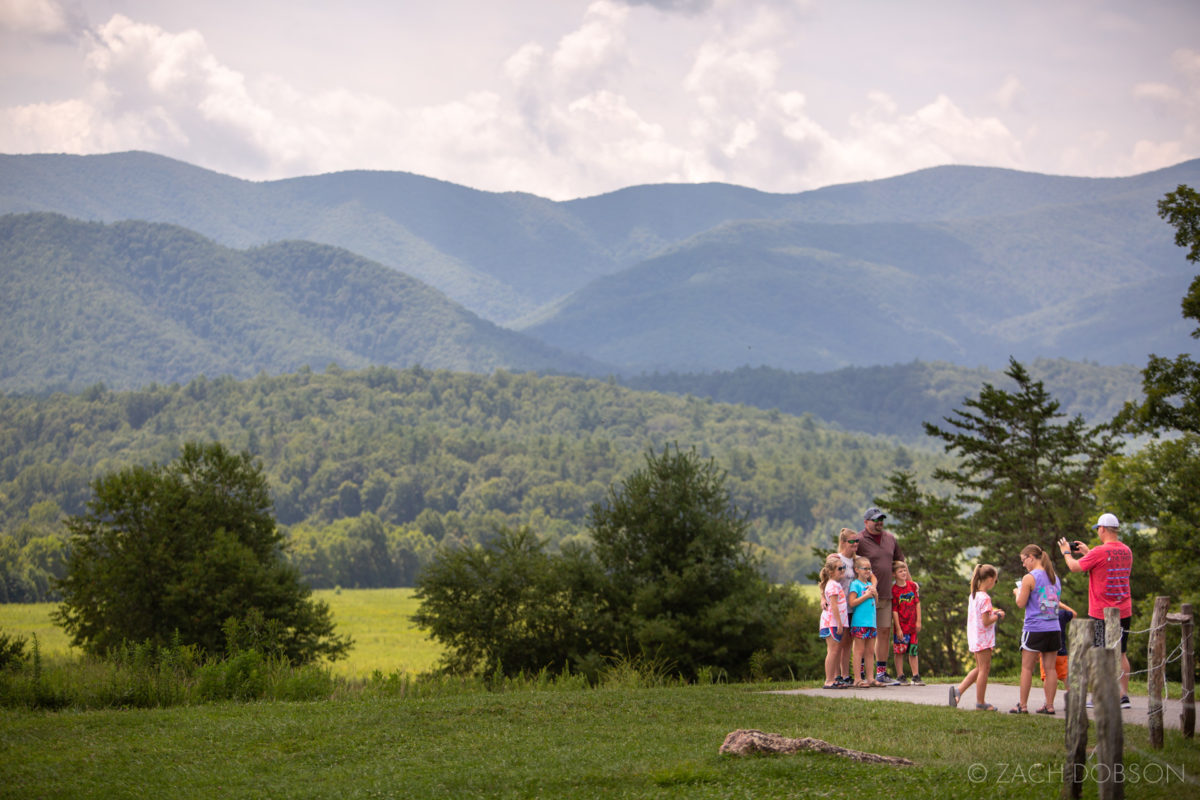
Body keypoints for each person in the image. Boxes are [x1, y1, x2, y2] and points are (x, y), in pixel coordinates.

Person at [1058, 513, 1133, 709]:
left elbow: (1074, 567)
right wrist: (1088, 552)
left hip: (1101, 611)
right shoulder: (1126, 551)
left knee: (1100, 653)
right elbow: (1106, 566)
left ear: (1102, 529)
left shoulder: (1100, 551)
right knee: (1121, 652)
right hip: (1124, 610)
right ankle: (1123, 695)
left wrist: (1066, 552)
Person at [1011, 544, 1062, 714]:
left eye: (1024, 560)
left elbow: (1021, 603)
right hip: (1054, 627)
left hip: (1035, 628)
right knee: (1050, 668)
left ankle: (1023, 705)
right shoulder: (1054, 577)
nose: (1023, 564)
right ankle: (1049, 705)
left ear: (1031, 558)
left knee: (1027, 667)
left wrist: (1018, 592)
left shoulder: (1029, 578)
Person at [857, 507, 905, 685]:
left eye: (881, 519)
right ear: (866, 522)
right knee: (864, 634)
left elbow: (901, 562)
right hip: (865, 596)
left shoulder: (890, 539)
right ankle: (860, 674)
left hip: (886, 594)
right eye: (875, 520)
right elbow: (846, 556)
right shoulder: (860, 540)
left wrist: (910, 584)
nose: (879, 523)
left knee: (884, 631)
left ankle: (881, 673)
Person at [949, 564, 1005, 711]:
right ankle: (981, 702)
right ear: (990, 579)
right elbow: (986, 621)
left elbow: (982, 616)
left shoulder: (974, 595)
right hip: (983, 638)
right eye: (996, 581)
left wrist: (993, 612)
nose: (995, 583)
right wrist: (998, 615)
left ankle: (958, 692)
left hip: (975, 636)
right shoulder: (985, 597)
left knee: (980, 667)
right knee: (984, 670)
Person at [835, 528, 875, 685]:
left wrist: (873, 588)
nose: (855, 544)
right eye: (852, 541)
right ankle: (839, 675)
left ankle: (848, 676)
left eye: (857, 541)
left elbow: (872, 577)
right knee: (841, 643)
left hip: (855, 609)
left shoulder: (858, 560)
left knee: (849, 643)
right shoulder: (837, 559)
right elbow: (827, 580)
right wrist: (822, 598)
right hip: (840, 605)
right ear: (843, 542)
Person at [848, 556, 881, 687]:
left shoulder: (869, 585)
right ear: (857, 570)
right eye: (865, 568)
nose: (868, 571)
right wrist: (866, 595)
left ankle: (870, 678)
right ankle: (857, 679)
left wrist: (875, 594)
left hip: (871, 623)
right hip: (860, 622)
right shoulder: (855, 584)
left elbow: (875, 603)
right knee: (859, 650)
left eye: (870, 569)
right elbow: (852, 603)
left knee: (870, 651)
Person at [890, 560, 923, 685]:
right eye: (900, 571)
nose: (903, 573)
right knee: (899, 651)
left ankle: (915, 676)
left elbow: (917, 603)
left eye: (905, 570)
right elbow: (894, 610)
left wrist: (918, 621)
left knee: (913, 650)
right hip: (902, 626)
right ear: (894, 574)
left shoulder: (912, 586)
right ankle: (900, 675)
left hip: (912, 625)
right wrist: (898, 628)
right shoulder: (894, 590)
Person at [818, 554, 848, 689]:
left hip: (833, 622)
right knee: (833, 651)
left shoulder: (834, 584)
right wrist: (840, 623)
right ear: (831, 572)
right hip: (832, 623)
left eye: (843, 567)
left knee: (835, 650)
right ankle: (829, 680)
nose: (842, 570)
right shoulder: (833, 586)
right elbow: (834, 606)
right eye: (839, 568)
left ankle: (833, 679)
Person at [1040, 601, 1077, 690]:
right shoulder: (1061, 614)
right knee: (1065, 677)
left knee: (1047, 677)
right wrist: (1062, 605)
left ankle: (1048, 701)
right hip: (1061, 650)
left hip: (1046, 651)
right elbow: (1074, 614)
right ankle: (1073, 697)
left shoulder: (1040, 616)